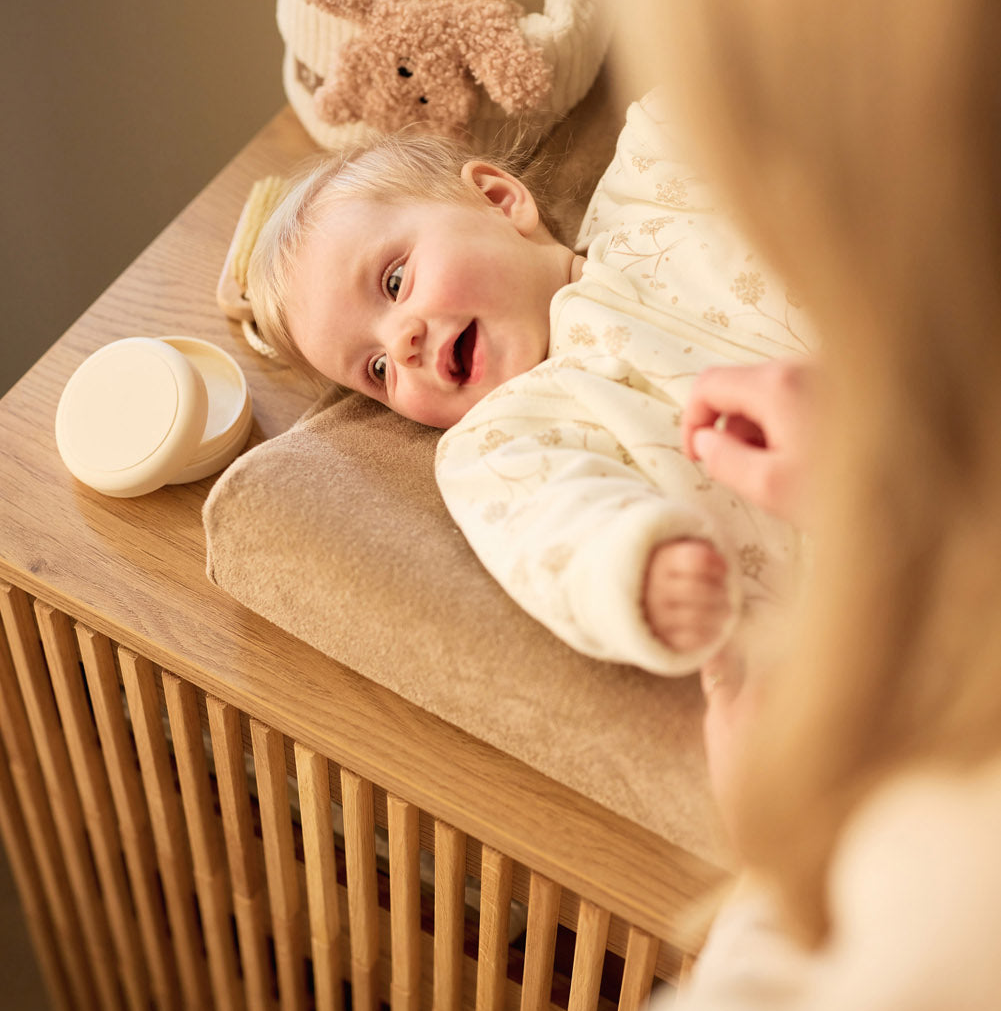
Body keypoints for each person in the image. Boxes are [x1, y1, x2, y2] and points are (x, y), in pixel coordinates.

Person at [562, 0, 1001, 1011]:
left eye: (395, 281)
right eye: (370, 355)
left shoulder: (941, 911)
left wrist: (769, 873)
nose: (409, 344)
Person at [247, 101, 811, 676]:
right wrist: (637, 569)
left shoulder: (649, 192)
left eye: (395, 282)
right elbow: (549, 534)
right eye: (376, 370)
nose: (400, 345)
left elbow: (721, 90)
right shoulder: (502, 441)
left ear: (499, 200)